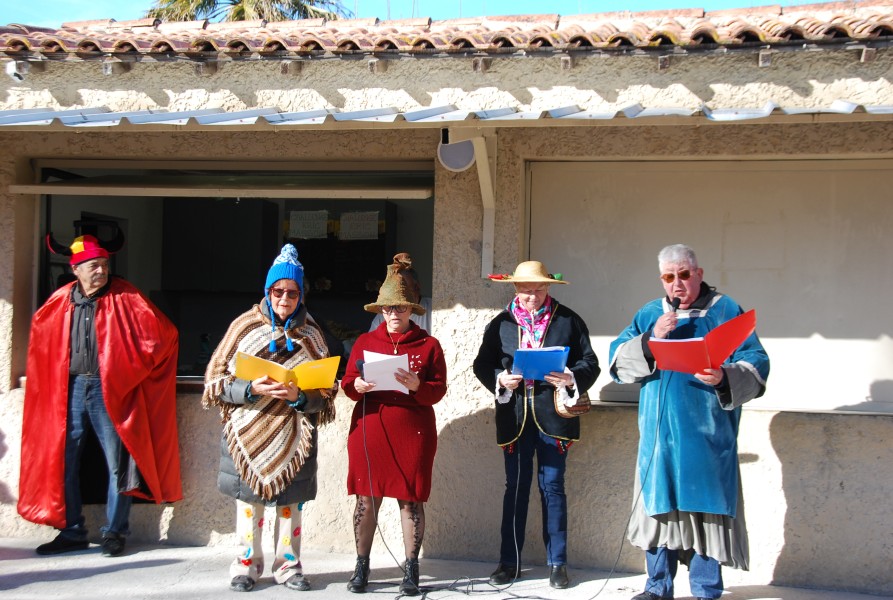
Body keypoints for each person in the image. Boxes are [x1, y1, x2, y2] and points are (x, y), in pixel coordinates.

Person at [608, 244, 770, 600]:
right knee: (659, 508)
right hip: (659, 436)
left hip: (706, 436)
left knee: (705, 512)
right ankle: (657, 587)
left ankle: (706, 590)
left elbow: (756, 361)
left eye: (683, 274)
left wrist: (725, 376)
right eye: (669, 277)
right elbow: (617, 362)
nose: (676, 283)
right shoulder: (650, 313)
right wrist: (650, 341)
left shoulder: (725, 310)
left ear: (698, 273)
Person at [18, 233, 181, 558]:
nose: (101, 270)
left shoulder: (127, 296)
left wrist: (127, 372)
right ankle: (72, 531)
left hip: (110, 390)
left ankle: (115, 532)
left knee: (117, 463)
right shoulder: (60, 300)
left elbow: (164, 336)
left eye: (104, 264)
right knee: (64, 461)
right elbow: (42, 339)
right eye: (93, 265)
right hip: (70, 388)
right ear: (75, 269)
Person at [202, 244, 338, 593]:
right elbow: (214, 379)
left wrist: (300, 397)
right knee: (250, 505)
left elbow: (327, 392)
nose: (285, 299)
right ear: (268, 291)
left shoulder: (312, 334)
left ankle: (288, 565)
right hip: (248, 433)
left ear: (301, 294)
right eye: (278, 291)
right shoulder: (244, 327)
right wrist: (249, 388)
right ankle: (246, 564)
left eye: (292, 292)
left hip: (294, 435)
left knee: (290, 506)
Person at [472, 260, 600, 590]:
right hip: (514, 419)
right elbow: (482, 364)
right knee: (515, 488)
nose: (533, 296)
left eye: (539, 289)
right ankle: (509, 562)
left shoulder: (568, 320)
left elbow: (590, 363)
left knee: (553, 487)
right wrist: (501, 379)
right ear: (515, 288)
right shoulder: (500, 323)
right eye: (527, 290)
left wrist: (570, 377)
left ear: (548, 287)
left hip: (554, 419)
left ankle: (557, 563)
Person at [340, 253, 447, 596]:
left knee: (410, 499)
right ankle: (361, 566)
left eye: (400, 308)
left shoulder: (429, 345)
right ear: (381, 311)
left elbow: (438, 390)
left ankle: (412, 568)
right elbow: (348, 383)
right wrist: (356, 386)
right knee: (366, 499)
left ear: (411, 309)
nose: (393, 315)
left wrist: (418, 385)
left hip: (413, 430)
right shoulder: (365, 342)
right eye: (388, 309)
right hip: (371, 427)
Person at [367, 254, 432, 332]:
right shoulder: (384, 315)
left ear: (417, 287)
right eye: (395, 292)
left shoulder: (433, 309)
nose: (394, 312)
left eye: (405, 291)